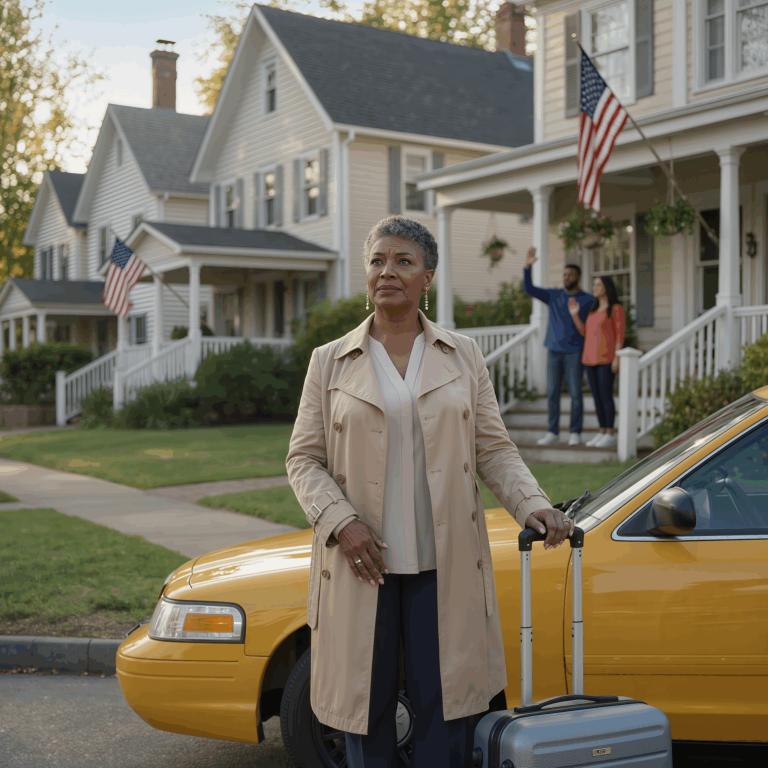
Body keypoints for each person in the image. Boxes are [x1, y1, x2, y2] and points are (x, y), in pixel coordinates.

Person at [286, 215, 574, 768]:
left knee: (445, 717)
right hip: (360, 566)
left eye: (402, 261)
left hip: (443, 568)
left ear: (428, 277)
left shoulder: (461, 355)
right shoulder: (329, 361)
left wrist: (533, 504)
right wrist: (341, 522)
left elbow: (493, 448)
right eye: (376, 260)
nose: (386, 271)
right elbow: (304, 459)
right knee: (363, 714)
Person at [523, 247, 594, 446]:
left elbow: (591, 328)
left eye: (570, 274)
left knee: (575, 394)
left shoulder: (588, 300)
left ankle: (575, 432)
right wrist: (528, 267)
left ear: (578, 277)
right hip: (553, 350)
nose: (566, 277)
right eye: (564, 274)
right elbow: (530, 289)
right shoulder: (554, 295)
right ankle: (552, 432)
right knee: (553, 392)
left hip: (575, 351)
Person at [569, 276, 626, 448]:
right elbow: (585, 332)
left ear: (606, 287)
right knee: (596, 398)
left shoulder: (615, 309)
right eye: (593, 284)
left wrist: (617, 357)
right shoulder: (593, 311)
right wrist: (575, 316)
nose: (595, 287)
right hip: (589, 359)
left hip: (606, 359)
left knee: (605, 396)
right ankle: (602, 431)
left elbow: (620, 334)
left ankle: (610, 432)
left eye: (598, 284)